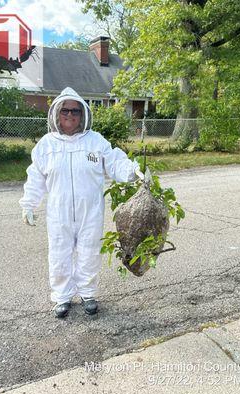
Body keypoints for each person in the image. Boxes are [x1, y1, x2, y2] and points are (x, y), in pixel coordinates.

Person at [19, 87, 145, 318]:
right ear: (57, 113)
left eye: (75, 111)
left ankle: (88, 293)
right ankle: (62, 297)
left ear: (83, 114)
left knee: (89, 251)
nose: (70, 115)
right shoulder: (46, 145)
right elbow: (35, 176)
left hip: (91, 211)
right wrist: (29, 203)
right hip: (59, 213)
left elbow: (115, 162)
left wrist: (134, 171)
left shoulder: (95, 142)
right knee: (59, 253)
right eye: (65, 110)